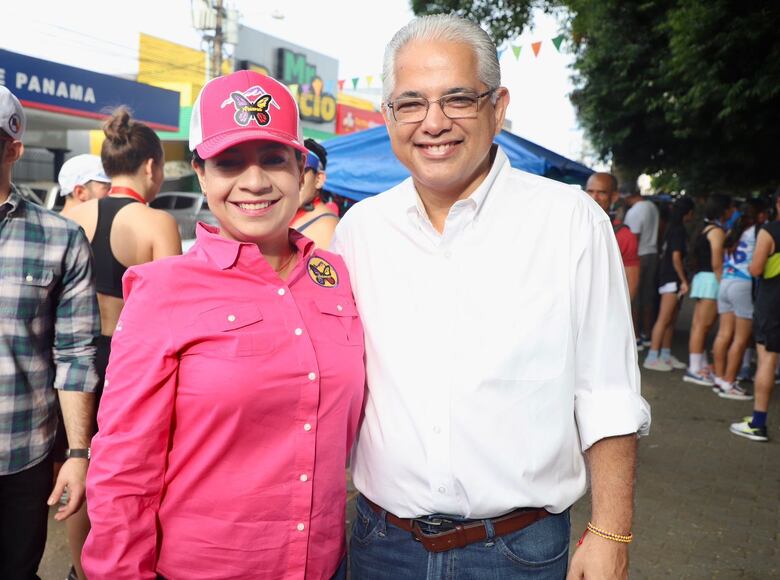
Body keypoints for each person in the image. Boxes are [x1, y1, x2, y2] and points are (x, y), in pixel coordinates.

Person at [331, 15, 650, 580]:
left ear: (497, 107)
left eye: (457, 98)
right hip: (382, 545)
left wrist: (610, 532)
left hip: (518, 551)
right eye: (411, 103)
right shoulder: (360, 231)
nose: (433, 123)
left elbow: (607, 390)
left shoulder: (571, 221)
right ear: (388, 117)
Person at [82, 70, 365, 580]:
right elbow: (124, 470)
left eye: (274, 160)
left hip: (325, 566)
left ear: (302, 168)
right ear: (201, 173)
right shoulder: (163, 289)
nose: (254, 182)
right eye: (230, 162)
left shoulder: (338, 278)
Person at [60, 108, 181, 580]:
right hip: (126, 365)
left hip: (69, 363)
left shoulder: (71, 215)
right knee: (131, 476)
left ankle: (77, 571)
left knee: (77, 473)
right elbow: (173, 316)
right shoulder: (155, 223)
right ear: (151, 166)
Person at [0, 86, 99, 579]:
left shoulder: (59, 238)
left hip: (20, 457)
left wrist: (78, 454)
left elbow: (76, 355)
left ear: (13, 148)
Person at [730, 190, 780, 441]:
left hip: (772, 304)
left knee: (767, 359)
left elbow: (757, 268)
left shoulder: (771, 230)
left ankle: (758, 423)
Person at [711, 199, 769, 400]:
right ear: (759, 214)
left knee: (724, 333)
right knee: (741, 338)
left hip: (726, 283)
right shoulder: (759, 232)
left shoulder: (731, 232)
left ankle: (719, 379)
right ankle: (729, 381)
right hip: (743, 285)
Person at [683, 194, 734, 386]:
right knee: (702, 327)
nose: (733, 212)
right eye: (731, 208)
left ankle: (698, 365)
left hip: (703, 279)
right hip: (712, 280)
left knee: (699, 326)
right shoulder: (717, 232)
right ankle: (695, 368)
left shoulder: (705, 228)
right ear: (724, 210)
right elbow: (717, 263)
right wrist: (724, 285)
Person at [643, 197, 695, 371]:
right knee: (664, 319)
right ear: (688, 213)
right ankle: (652, 356)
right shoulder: (678, 231)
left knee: (670, 319)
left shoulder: (672, 229)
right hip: (671, 279)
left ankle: (664, 355)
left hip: (670, 278)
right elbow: (675, 258)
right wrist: (683, 280)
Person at [586, 172, 640, 300]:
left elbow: (631, 282)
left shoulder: (624, 235)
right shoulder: (571, 227)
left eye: (602, 192)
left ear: (614, 196)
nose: (594, 197)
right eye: (590, 191)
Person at [624, 189, 660, 348]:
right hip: (652, 253)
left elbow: (633, 238)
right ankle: (647, 333)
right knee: (648, 297)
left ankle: (636, 336)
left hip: (638, 257)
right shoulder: (652, 206)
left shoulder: (634, 211)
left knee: (634, 298)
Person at [290, 138, 339, 248]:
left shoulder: (325, 228)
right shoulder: (288, 213)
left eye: (301, 172)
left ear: (319, 180)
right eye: (289, 171)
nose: (293, 182)